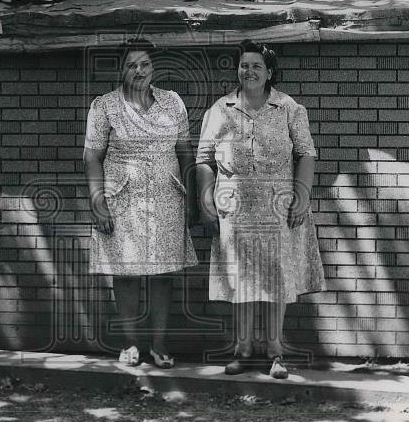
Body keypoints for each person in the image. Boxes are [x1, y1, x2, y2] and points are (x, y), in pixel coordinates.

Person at [195, 39, 326, 379]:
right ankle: (242, 350)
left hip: (277, 205)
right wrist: (206, 197)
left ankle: (275, 352)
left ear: (269, 72)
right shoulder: (219, 109)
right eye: (243, 65)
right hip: (234, 206)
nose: (248, 70)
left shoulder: (289, 108)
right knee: (240, 279)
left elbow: (306, 153)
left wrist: (302, 195)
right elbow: (204, 159)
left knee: (275, 277)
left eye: (256, 66)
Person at [84, 39, 198, 368]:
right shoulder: (104, 106)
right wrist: (97, 200)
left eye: (145, 64)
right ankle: (130, 345)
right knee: (127, 273)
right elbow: (91, 157)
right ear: (121, 69)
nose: (139, 71)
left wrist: (190, 199)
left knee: (163, 274)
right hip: (122, 200)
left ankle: (159, 345)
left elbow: (185, 152)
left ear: (153, 67)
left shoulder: (172, 102)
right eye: (131, 65)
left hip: (167, 198)